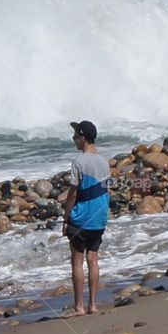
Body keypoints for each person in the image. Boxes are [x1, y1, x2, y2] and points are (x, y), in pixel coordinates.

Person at [62, 120, 110, 316]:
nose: (74, 140)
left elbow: (73, 193)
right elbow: (107, 191)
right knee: (93, 260)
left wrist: (66, 218)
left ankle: (79, 306)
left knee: (77, 261)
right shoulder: (104, 162)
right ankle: (93, 304)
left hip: (81, 217)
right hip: (99, 218)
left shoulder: (79, 161)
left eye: (75, 137)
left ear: (82, 138)